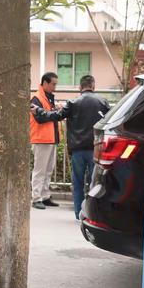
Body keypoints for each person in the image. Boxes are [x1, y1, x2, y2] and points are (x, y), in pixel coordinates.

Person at [31, 75, 109, 220]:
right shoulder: (103, 102)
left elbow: (56, 115)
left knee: (77, 182)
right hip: (95, 148)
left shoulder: (73, 103)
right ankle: (92, 213)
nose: (55, 87)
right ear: (93, 86)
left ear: (80, 87)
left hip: (77, 149)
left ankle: (78, 213)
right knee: (94, 182)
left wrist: (40, 111)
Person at [29, 72, 61, 210]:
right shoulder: (36, 98)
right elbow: (40, 118)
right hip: (41, 139)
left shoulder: (48, 98)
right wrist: (55, 113)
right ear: (45, 83)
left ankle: (45, 196)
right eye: (53, 84)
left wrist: (53, 112)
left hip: (50, 138)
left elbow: (46, 115)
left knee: (48, 170)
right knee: (40, 170)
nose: (55, 87)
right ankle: (36, 198)